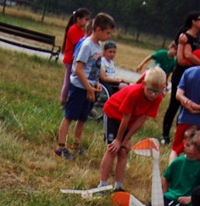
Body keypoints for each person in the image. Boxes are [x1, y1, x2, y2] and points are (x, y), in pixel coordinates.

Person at [55, 13, 114, 160]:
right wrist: (88, 87)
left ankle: (76, 143)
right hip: (79, 88)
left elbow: (93, 68)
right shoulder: (87, 45)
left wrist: (96, 84)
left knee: (83, 118)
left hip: (90, 88)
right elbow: (78, 69)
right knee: (69, 116)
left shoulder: (98, 46)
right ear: (98, 29)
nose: (109, 36)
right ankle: (61, 147)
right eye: (107, 32)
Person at [97, 67, 167, 191]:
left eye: (157, 92)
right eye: (150, 90)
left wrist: (126, 139)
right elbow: (125, 117)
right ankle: (102, 184)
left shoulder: (157, 98)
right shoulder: (133, 93)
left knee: (123, 150)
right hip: (114, 113)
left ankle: (118, 186)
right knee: (112, 149)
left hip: (130, 120)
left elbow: (141, 119)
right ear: (144, 84)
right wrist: (118, 139)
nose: (153, 95)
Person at [160, 11, 200, 144]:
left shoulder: (196, 39)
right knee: (174, 105)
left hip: (192, 76)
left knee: (186, 108)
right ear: (193, 21)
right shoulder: (185, 37)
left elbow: (191, 55)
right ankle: (165, 135)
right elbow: (185, 58)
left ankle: (181, 136)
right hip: (181, 76)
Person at [163, 126, 200, 206]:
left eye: (194, 147)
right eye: (188, 145)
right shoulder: (177, 161)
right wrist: (165, 194)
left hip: (187, 204)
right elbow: (166, 178)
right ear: (184, 143)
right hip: (170, 197)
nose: (190, 149)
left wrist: (190, 199)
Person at [60, 9, 91, 107]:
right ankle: (64, 101)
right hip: (70, 60)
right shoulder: (73, 29)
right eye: (85, 19)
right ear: (78, 19)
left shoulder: (79, 30)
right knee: (68, 81)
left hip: (74, 60)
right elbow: (79, 44)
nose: (87, 22)